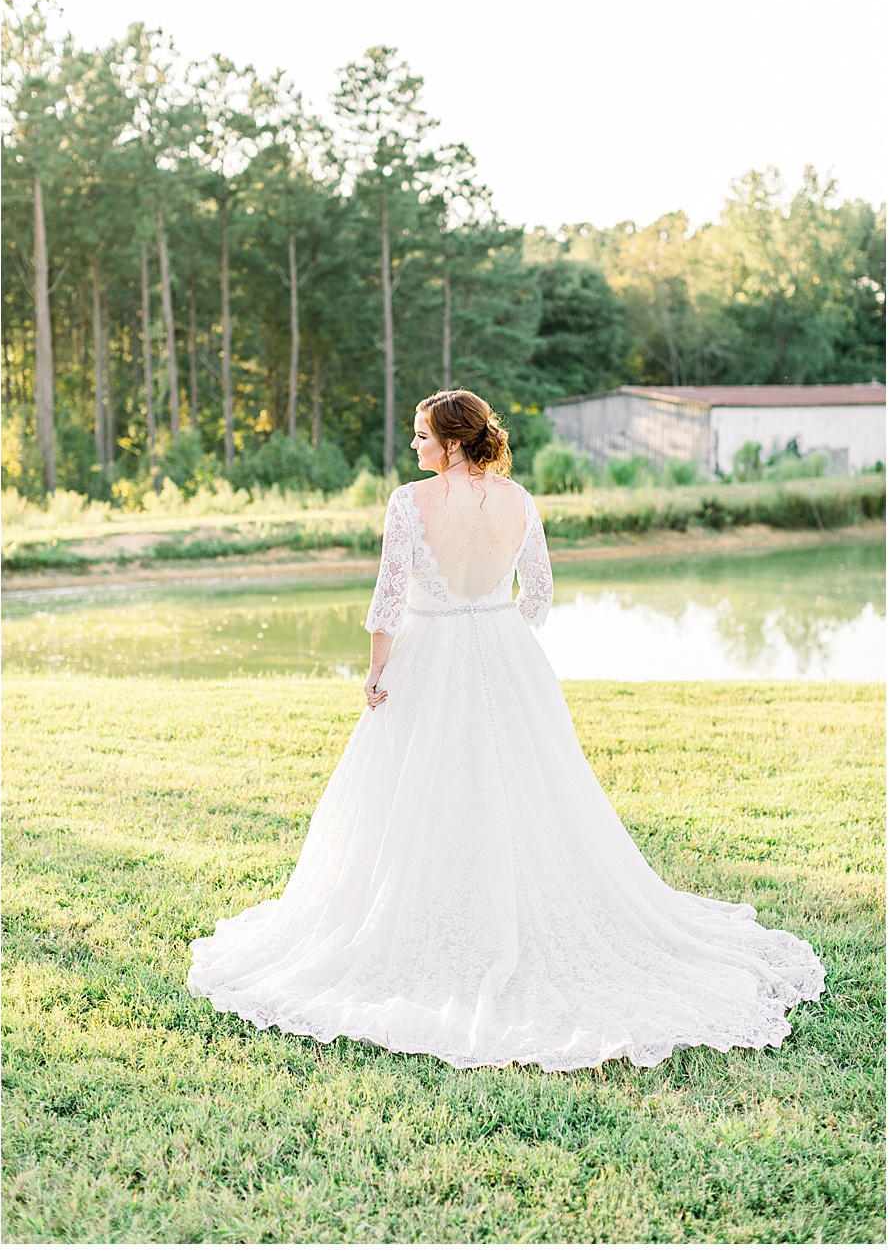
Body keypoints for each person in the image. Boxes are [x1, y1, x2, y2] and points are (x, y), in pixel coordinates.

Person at [187, 389, 824, 1072]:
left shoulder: (409, 503)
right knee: (524, 792)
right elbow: (540, 595)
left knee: (416, 795)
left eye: (422, 436)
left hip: (427, 655)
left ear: (454, 441)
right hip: (507, 653)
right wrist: (498, 636)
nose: (414, 447)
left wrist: (378, 673)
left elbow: (388, 599)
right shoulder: (520, 500)